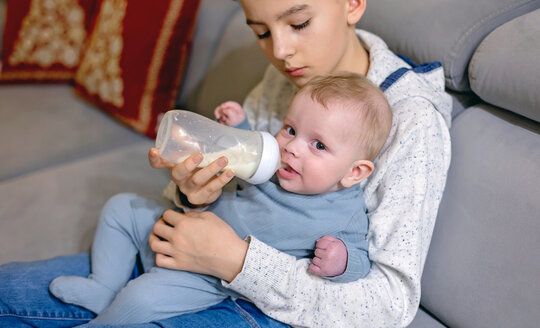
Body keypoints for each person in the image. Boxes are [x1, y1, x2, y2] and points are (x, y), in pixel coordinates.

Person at [0, 0, 452, 327]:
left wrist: (236, 261)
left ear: (351, 3)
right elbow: (239, 185)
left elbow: (388, 306)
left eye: (298, 24)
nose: (281, 51)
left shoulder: (411, 120)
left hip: (274, 303)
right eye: (260, 31)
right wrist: (194, 192)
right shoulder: (288, 77)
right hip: (199, 251)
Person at [48, 73, 392, 325]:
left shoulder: (344, 215)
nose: (291, 147)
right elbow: (242, 155)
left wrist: (342, 261)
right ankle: (103, 285)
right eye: (290, 129)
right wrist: (239, 126)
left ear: (355, 173)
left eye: (318, 145)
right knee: (121, 207)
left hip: (207, 275)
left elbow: (362, 263)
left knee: (142, 297)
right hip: (180, 223)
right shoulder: (275, 165)